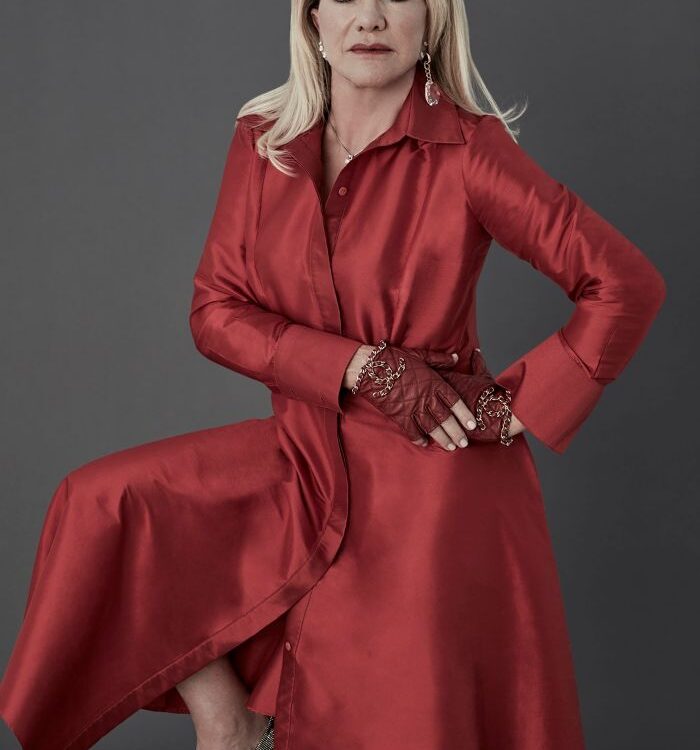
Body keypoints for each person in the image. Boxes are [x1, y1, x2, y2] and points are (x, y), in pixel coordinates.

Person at [0, 1, 666, 749]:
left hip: (433, 479)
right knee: (111, 507)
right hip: (310, 449)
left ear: (432, 18)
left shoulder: (470, 149)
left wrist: (520, 404)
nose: (370, 17)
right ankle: (232, 722)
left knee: (386, 715)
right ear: (313, 18)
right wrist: (359, 365)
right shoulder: (264, 140)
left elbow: (625, 284)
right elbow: (215, 312)